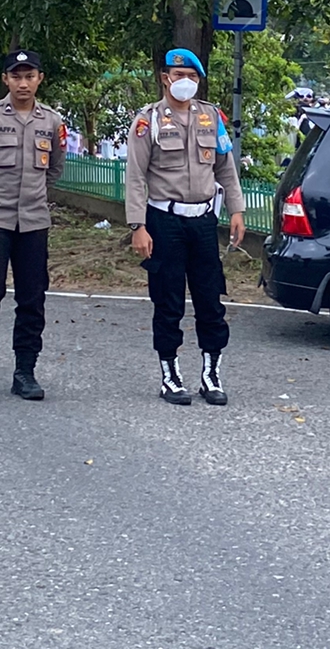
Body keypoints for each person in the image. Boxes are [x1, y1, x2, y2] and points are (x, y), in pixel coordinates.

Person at [125, 48, 246, 405]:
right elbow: (135, 176)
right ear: (165, 78)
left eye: (192, 77)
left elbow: (226, 167)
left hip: (204, 221)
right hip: (164, 220)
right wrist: (137, 225)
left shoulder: (211, 117)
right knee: (168, 300)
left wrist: (237, 210)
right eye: (179, 76)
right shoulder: (147, 121)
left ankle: (211, 374)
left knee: (211, 300)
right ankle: (170, 374)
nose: (185, 83)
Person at [0, 49, 67, 402]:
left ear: (40, 79)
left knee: (32, 300)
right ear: (5, 80)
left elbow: (54, 169)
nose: (23, 83)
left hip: (34, 223)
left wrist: (36, 199)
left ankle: (25, 372)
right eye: (16, 76)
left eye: (30, 76)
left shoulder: (52, 122)